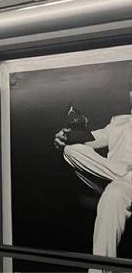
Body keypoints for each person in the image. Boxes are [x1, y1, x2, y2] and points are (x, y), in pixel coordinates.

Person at [54, 98, 132, 259]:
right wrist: (65, 137)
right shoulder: (119, 123)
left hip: (121, 189)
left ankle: (100, 269)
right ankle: (123, 173)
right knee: (70, 150)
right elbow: (91, 138)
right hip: (113, 176)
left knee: (114, 193)